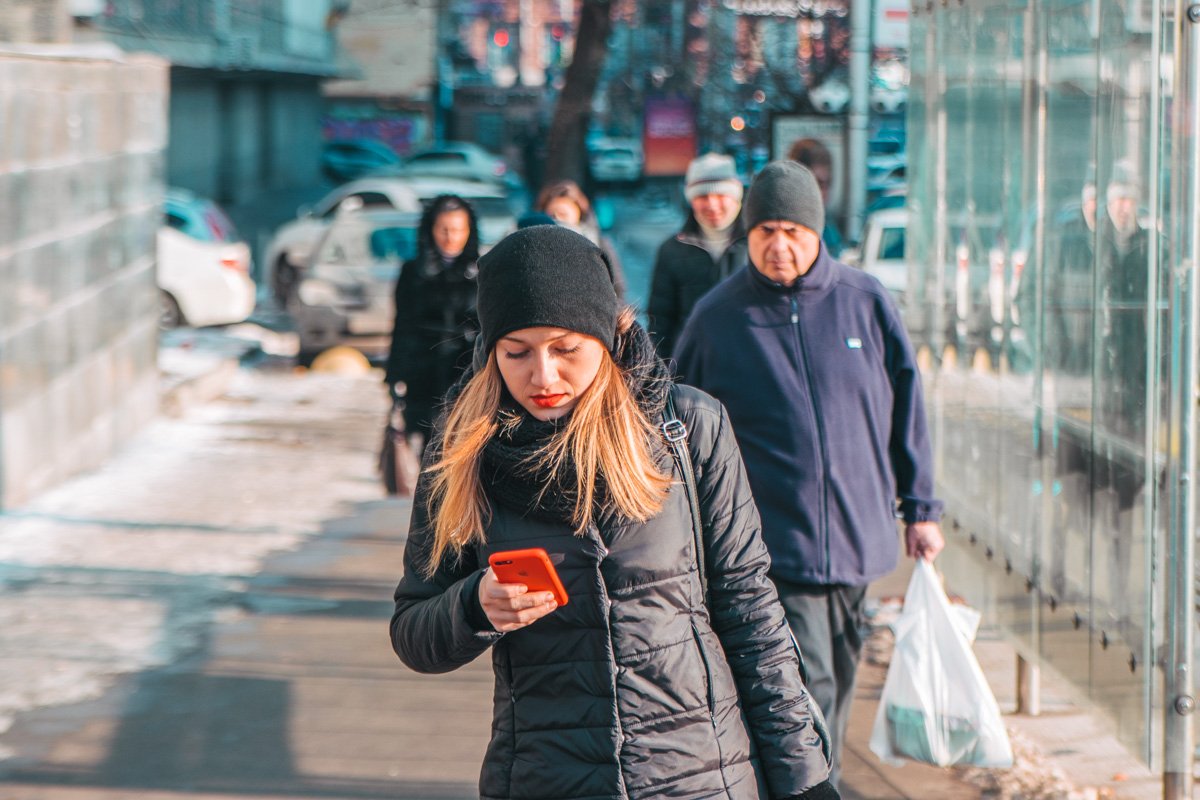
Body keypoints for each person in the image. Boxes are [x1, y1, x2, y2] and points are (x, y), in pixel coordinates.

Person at [390, 224, 838, 800]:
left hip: (703, 774)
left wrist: (804, 775)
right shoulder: (463, 451)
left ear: (605, 337)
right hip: (546, 775)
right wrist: (474, 605)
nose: (543, 375)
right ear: (490, 352)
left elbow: (750, 610)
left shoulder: (688, 428)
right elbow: (412, 631)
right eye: (517, 352)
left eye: (566, 348)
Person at [673, 161, 945, 784]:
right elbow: (677, 418)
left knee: (843, 670)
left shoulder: (865, 301)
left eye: (793, 229)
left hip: (859, 535)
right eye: (765, 230)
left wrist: (921, 508)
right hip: (772, 544)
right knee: (808, 677)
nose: (779, 245)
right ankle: (815, 785)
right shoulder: (719, 317)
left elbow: (908, 406)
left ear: (817, 231)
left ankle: (812, 778)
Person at [384, 194, 480, 446]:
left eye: (459, 229)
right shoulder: (413, 271)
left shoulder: (480, 272)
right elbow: (401, 324)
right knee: (428, 448)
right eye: (444, 229)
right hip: (422, 371)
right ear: (432, 229)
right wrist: (395, 375)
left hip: (464, 370)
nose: (451, 237)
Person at [647, 152, 747, 357]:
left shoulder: (757, 245)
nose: (712, 205)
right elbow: (660, 323)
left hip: (747, 364)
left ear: (736, 196)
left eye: (721, 195)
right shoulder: (672, 250)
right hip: (691, 369)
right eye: (702, 196)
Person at [533, 179, 627, 299]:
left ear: (579, 215)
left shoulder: (598, 244)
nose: (557, 220)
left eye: (563, 214)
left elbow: (617, 288)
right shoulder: (533, 245)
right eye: (552, 215)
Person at [786, 138, 844, 257]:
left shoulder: (828, 228)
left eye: (824, 185)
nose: (820, 194)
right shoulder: (782, 233)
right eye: (814, 184)